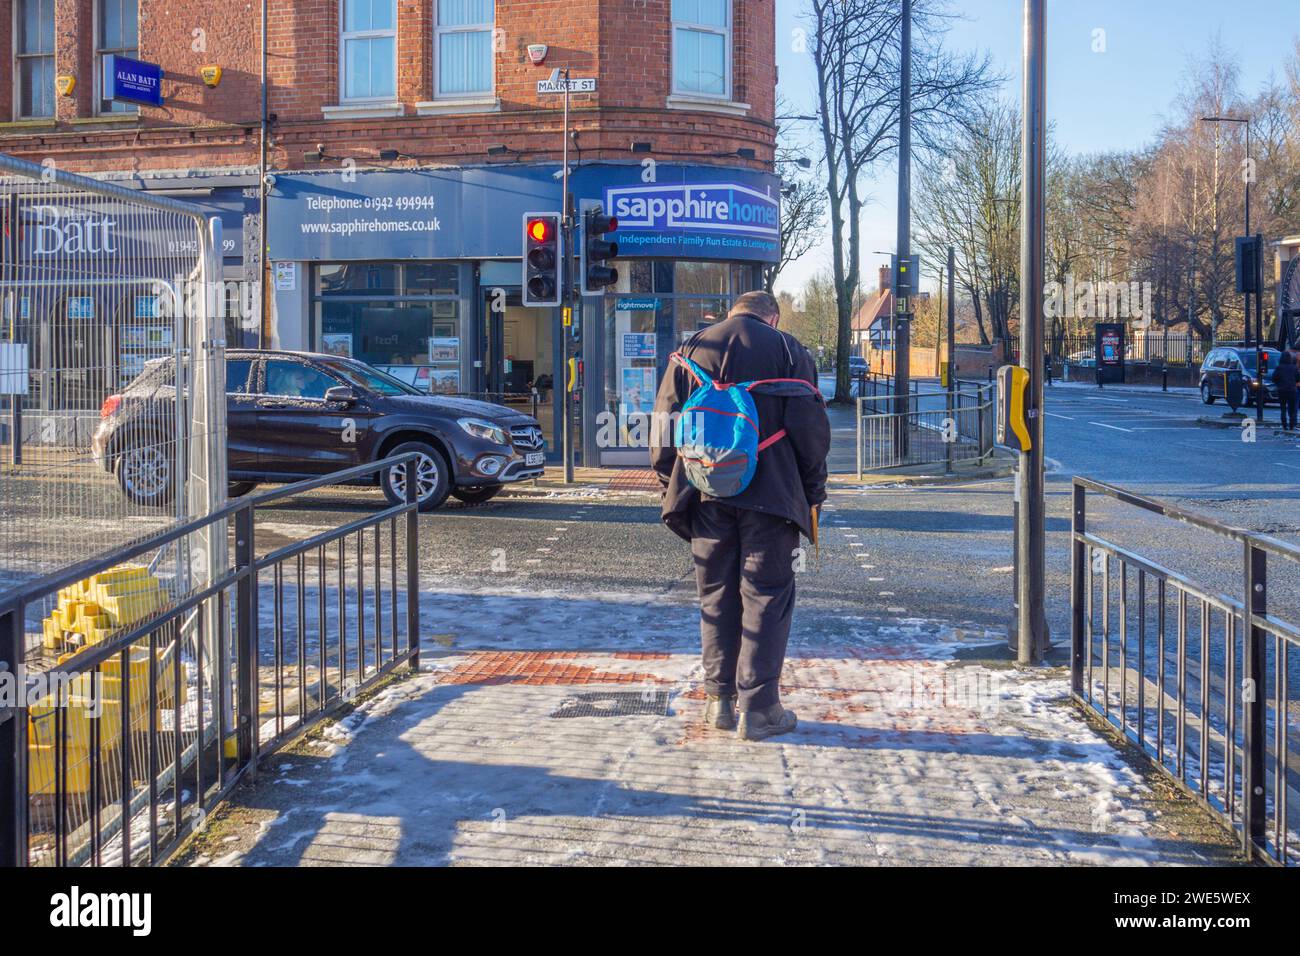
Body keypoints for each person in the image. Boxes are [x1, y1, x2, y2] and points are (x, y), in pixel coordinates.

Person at [650, 290, 831, 741]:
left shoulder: (693, 348)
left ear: (732, 313)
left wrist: (670, 480)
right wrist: (813, 493)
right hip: (772, 497)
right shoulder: (789, 350)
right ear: (772, 316)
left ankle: (719, 704)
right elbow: (810, 432)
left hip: (706, 492)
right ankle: (760, 709)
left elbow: (663, 422)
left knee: (715, 595)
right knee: (766, 595)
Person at [1273, 349, 1298, 430]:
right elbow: (1297, 378)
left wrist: (1279, 384)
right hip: (1292, 390)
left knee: (1283, 409)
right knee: (1292, 409)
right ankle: (1291, 425)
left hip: (1282, 390)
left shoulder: (1279, 367)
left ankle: (1284, 426)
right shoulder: (1293, 368)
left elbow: (1274, 378)